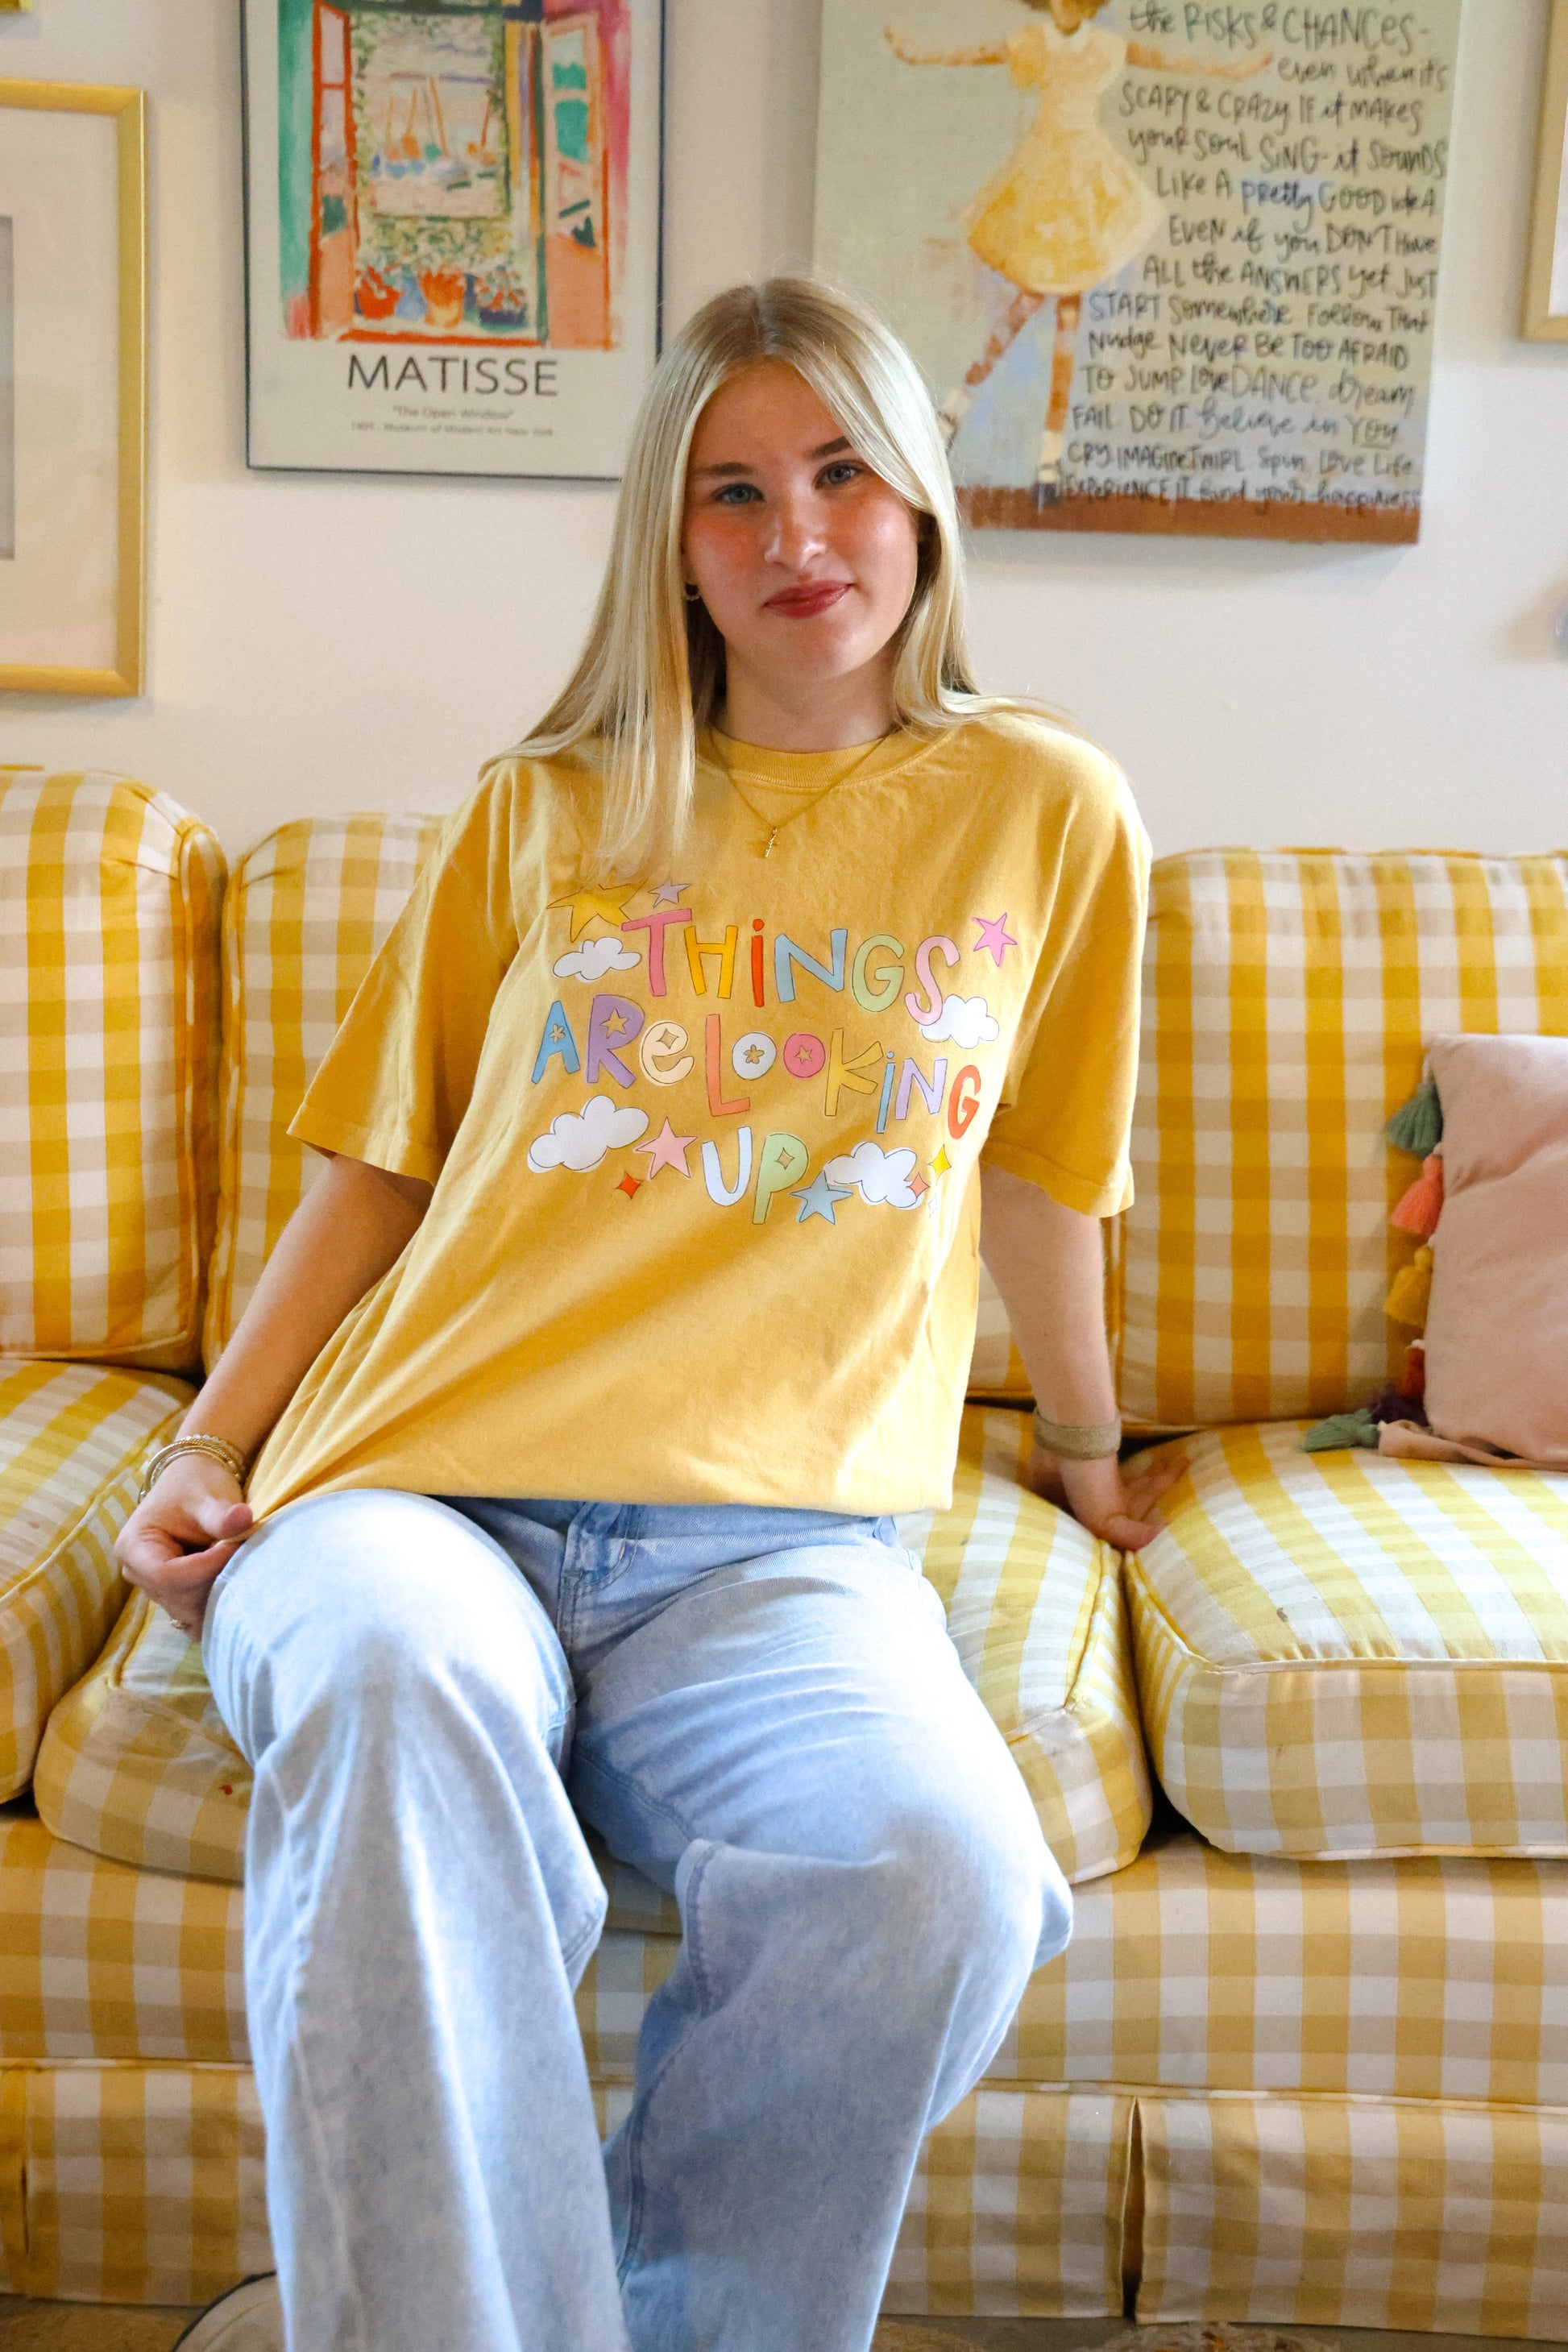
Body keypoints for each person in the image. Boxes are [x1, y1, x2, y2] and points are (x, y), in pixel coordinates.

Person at [127, 276, 1173, 2352]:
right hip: (417, 1493)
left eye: (843, 471)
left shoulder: (1046, 810)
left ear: (923, 496)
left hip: (775, 1555)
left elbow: (1044, 1179)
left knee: (944, 1877)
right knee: (389, 1688)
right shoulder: (545, 806)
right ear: (669, 541)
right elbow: (379, 1172)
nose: (799, 535)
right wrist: (209, 1442)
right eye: (733, 492)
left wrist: (1087, 1451)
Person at [886, 0, 1270, 503]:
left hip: (1085, 187)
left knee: (1064, 322)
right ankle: (965, 421)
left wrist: (1232, 70)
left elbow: (1168, 60)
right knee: (1025, 311)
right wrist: (916, 53)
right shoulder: (1033, 43)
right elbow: (974, 54)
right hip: (1042, 183)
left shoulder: (1106, 47)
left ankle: (1035, 449)